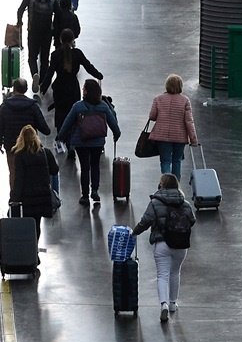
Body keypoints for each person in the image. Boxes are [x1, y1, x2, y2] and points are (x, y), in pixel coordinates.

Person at [131, 174, 196, 322]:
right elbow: (192, 220)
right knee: (175, 273)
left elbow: (145, 221)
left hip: (162, 243)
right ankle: (173, 303)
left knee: (162, 275)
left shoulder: (155, 202)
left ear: (161, 185)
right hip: (181, 244)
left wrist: (134, 233)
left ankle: (164, 305)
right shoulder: (185, 203)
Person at [57, 77, 120, 206]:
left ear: (86, 91)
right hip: (97, 142)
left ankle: (85, 195)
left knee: (85, 167)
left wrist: (60, 136)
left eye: (83, 88)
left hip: (81, 142)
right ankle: (95, 190)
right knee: (95, 165)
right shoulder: (103, 106)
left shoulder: (78, 106)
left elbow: (67, 123)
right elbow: (112, 121)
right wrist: (116, 133)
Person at [40, 33, 102, 148]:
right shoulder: (77, 53)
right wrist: (98, 75)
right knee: (74, 116)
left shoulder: (55, 55)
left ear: (60, 39)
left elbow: (49, 74)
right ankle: (71, 145)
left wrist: (42, 90)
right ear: (72, 40)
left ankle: (61, 142)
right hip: (73, 89)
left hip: (59, 89)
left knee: (60, 116)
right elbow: (88, 66)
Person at [145, 73, 198, 181]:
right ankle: (176, 186)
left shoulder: (158, 99)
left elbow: (152, 116)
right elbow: (189, 121)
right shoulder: (185, 100)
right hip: (179, 137)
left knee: (165, 161)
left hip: (162, 136)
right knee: (177, 161)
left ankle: (166, 185)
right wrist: (193, 139)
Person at [8, 124, 60, 230]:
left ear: (21, 138)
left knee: (28, 224)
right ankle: (35, 244)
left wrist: (14, 198)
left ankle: (30, 244)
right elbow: (55, 170)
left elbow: (19, 178)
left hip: (27, 197)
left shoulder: (20, 155)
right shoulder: (45, 153)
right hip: (43, 195)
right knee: (37, 223)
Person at [17, 0, 61, 80]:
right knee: (45, 58)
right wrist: (55, 29)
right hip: (47, 32)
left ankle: (34, 75)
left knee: (32, 57)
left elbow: (20, 10)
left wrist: (20, 22)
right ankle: (42, 81)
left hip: (33, 31)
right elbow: (59, 14)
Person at [0, 79, 49, 153]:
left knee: (13, 164)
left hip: (11, 147)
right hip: (29, 146)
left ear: (14, 89)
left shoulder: (4, 107)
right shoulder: (33, 107)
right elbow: (45, 129)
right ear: (26, 90)